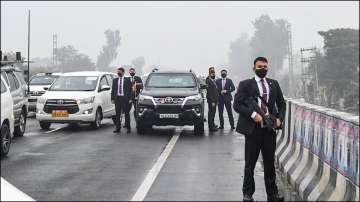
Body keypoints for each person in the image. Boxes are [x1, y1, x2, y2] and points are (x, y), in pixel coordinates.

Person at [233, 57, 286, 202]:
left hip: (269, 129)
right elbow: (236, 105)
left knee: (269, 163)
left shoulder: (273, 84)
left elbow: (282, 104)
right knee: (250, 163)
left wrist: (279, 118)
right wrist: (253, 114)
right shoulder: (245, 85)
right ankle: (248, 194)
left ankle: (272, 194)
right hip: (253, 129)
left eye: (265, 67)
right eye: (260, 66)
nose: (263, 69)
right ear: (253, 68)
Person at [111, 67, 133, 134]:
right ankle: (118, 128)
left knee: (126, 114)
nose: (118, 73)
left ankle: (128, 128)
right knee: (117, 114)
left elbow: (130, 90)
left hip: (125, 99)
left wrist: (130, 98)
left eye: (119, 72)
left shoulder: (127, 80)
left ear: (123, 72)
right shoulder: (115, 80)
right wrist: (112, 98)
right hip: (117, 99)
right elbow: (113, 90)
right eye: (117, 72)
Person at [206, 67, 219, 132]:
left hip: (215, 100)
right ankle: (211, 127)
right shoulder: (208, 80)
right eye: (212, 73)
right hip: (212, 101)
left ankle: (213, 124)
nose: (213, 74)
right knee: (211, 114)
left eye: (214, 73)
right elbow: (210, 93)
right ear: (209, 73)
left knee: (213, 113)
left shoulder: (213, 80)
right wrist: (212, 101)